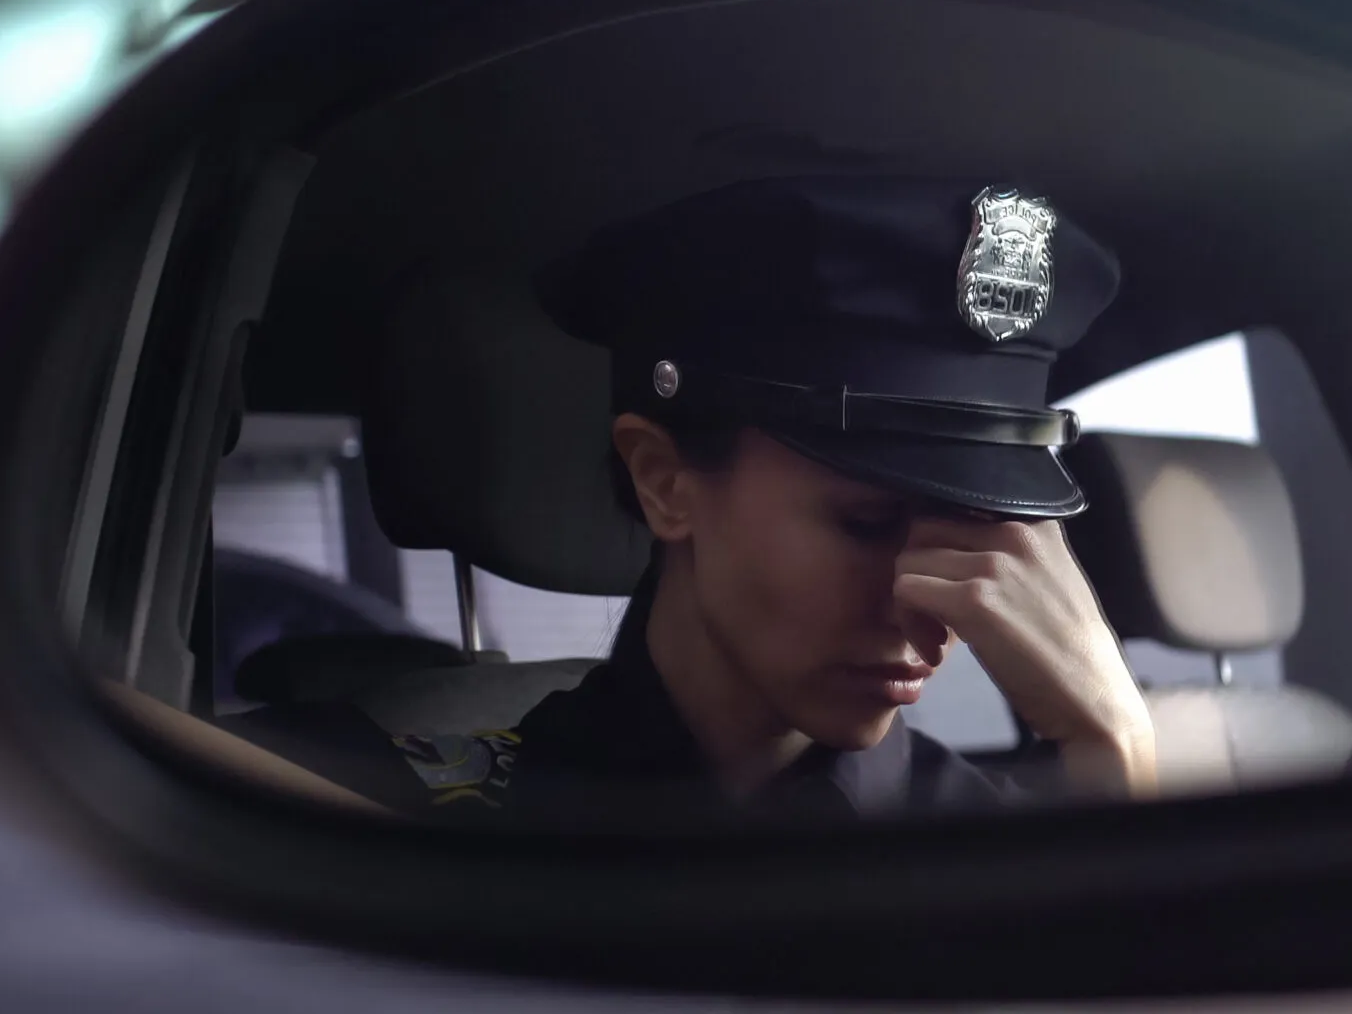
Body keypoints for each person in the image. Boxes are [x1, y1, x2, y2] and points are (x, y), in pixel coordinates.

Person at [235, 175, 1155, 824]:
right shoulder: (393, 812)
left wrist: (1112, 745)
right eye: (868, 523)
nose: (929, 610)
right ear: (663, 480)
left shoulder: (1000, 848)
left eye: (979, 541)